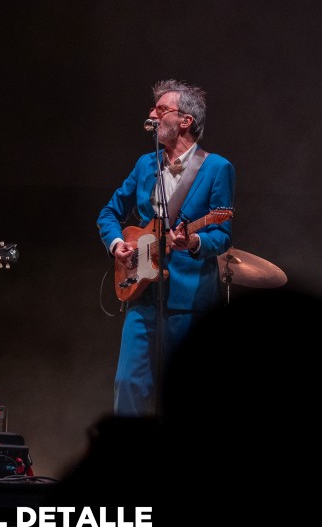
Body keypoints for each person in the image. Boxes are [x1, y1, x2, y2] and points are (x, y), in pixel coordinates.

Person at [97, 79, 235, 417]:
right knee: (128, 383)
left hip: (189, 301)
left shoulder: (218, 168)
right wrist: (117, 244)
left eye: (161, 110)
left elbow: (222, 233)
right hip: (141, 292)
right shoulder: (146, 164)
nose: (152, 115)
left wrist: (194, 241)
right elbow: (109, 212)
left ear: (185, 120)